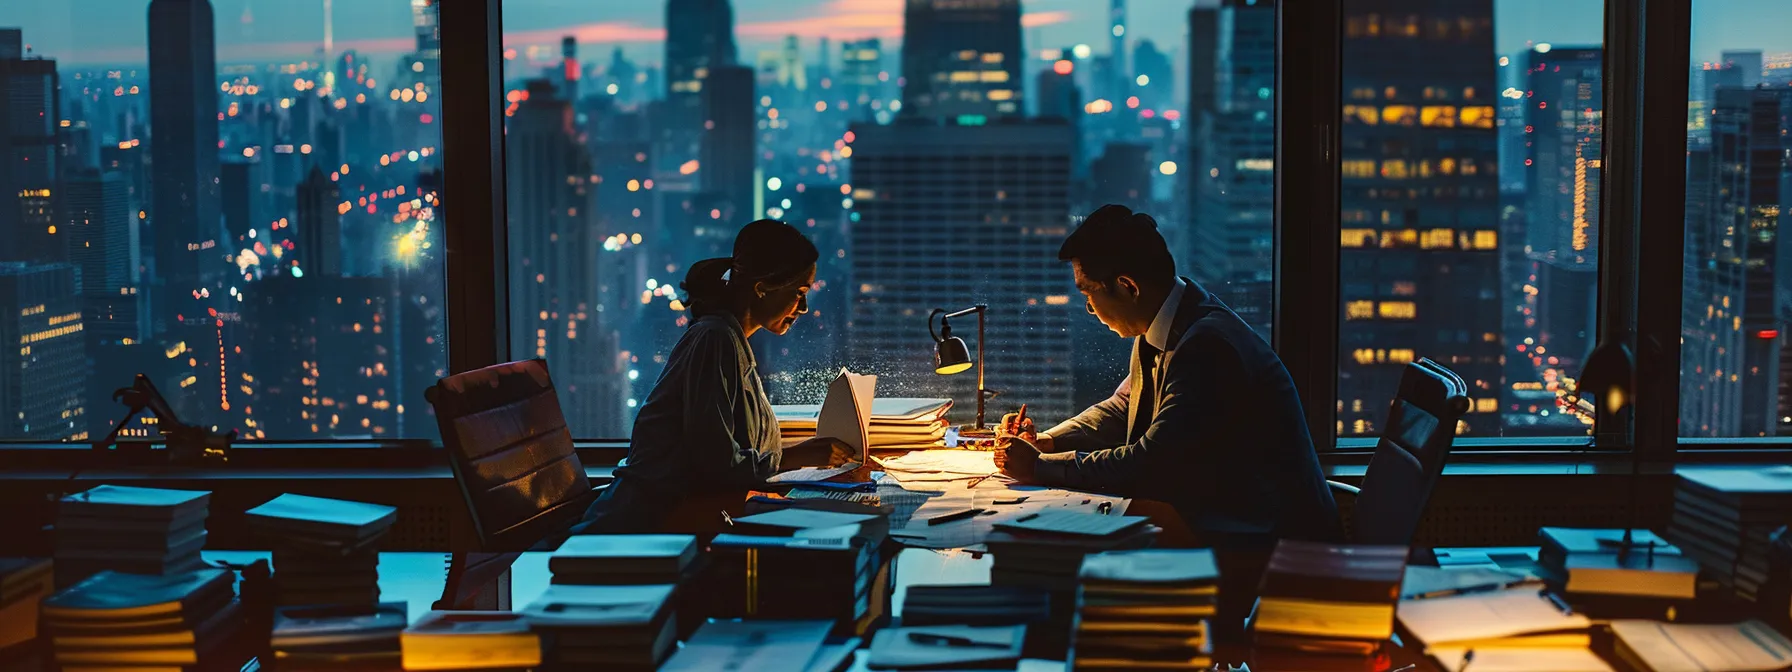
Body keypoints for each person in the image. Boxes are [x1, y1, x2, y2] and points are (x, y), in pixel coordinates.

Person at [994, 204, 1341, 547]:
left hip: (1270, 542)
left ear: (1128, 287)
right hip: (1226, 520)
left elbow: (1151, 464)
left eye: (1089, 295)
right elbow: (1122, 407)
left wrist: (1040, 467)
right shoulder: (1166, 324)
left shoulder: (1207, 347)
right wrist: (1048, 442)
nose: (1090, 310)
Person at [579, 220, 853, 534]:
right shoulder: (716, 340)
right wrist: (798, 456)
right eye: (799, 292)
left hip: (687, 516)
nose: (803, 308)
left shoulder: (732, 341)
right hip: (648, 526)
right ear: (762, 287)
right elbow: (717, 466)